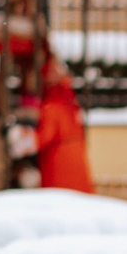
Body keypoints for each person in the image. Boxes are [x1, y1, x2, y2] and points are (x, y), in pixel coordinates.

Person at [35, 54, 94, 196]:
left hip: (60, 162)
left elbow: (43, 137)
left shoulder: (52, 106)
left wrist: (22, 139)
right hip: (75, 157)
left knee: (62, 201)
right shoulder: (70, 101)